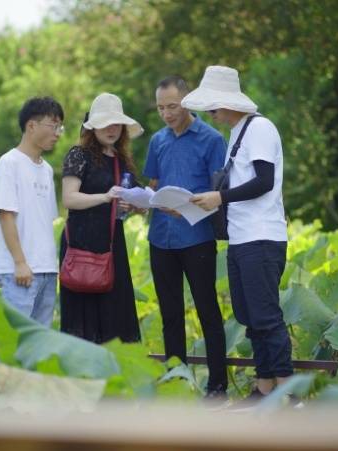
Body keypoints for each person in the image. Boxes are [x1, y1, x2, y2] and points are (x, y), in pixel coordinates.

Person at [184, 66, 292, 400]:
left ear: (229, 101)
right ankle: (264, 388)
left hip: (261, 236)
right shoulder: (238, 132)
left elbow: (264, 181)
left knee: (266, 317)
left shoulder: (259, 128)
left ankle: (290, 395)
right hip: (241, 236)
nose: (210, 113)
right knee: (249, 317)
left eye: (213, 106)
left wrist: (221, 197)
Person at [143, 76, 229, 398]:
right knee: (170, 315)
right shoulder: (157, 140)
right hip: (160, 238)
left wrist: (188, 203)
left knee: (208, 311)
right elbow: (154, 183)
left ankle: (218, 387)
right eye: (161, 108)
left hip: (197, 237)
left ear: (188, 101)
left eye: (172, 106)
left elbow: (219, 191)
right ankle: (176, 384)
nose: (166, 114)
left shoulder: (211, 139)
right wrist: (141, 199)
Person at [59, 92, 143, 344]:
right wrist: (105, 197)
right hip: (81, 244)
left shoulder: (122, 161)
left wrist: (135, 205)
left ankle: (112, 378)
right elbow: (69, 199)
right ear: (92, 126)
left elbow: (136, 201)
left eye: (116, 123)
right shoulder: (79, 155)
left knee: (114, 314)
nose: (111, 128)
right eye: (105, 123)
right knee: (81, 318)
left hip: (111, 244)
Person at [0, 96, 65, 326]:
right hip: (18, 272)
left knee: (38, 347)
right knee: (14, 343)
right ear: (31, 126)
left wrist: (51, 268)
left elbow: (45, 221)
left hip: (47, 271)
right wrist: (20, 262)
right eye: (54, 125)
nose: (58, 132)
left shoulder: (47, 170)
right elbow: (6, 215)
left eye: (60, 126)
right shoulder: (9, 163)